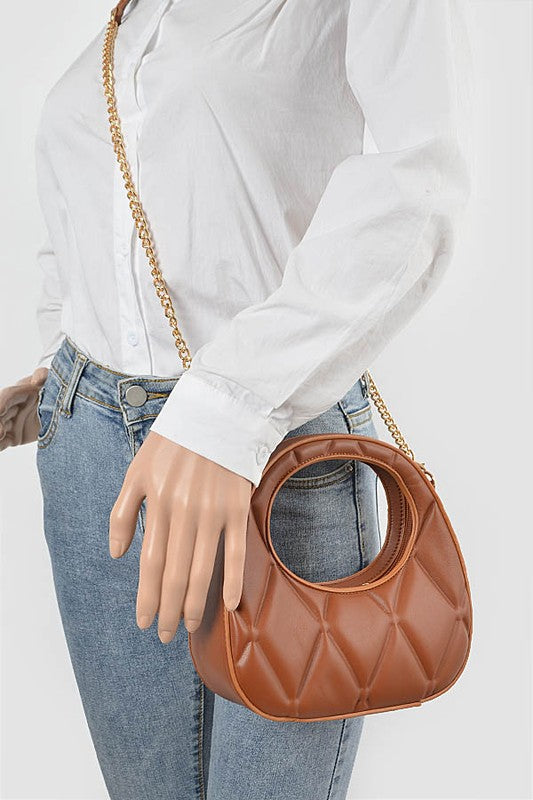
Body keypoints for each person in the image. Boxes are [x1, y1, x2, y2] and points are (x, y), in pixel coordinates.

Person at [0, 1, 471, 798]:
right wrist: (60, 365)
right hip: (90, 450)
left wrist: (226, 405)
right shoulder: (132, 15)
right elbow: (90, 209)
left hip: (272, 447)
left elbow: (418, 181)